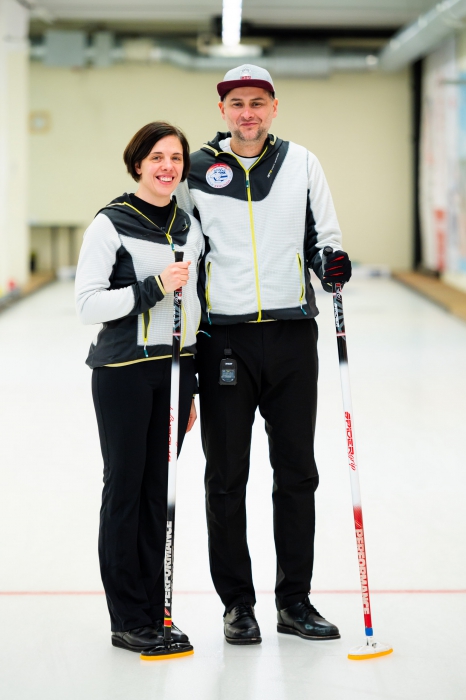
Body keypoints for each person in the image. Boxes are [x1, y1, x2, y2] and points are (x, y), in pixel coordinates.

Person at [176, 65, 352, 645]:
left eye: (257, 102)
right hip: (223, 341)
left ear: (274, 107)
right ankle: (238, 605)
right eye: (237, 103)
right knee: (226, 477)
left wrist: (331, 263)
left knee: (297, 472)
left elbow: (324, 236)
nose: (247, 112)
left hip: (292, 336)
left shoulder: (302, 162)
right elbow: (184, 252)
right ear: (222, 110)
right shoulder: (195, 169)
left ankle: (294, 602)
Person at [75, 121, 203, 654]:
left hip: (175, 372)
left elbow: (196, 304)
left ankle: (155, 612)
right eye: (156, 157)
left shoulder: (189, 225)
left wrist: (193, 383)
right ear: (137, 164)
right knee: (126, 491)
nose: (167, 167)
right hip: (124, 373)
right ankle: (127, 618)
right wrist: (152, 288)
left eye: (175, 158)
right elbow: (87, 304)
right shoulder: (111, 222)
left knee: (159, 495)